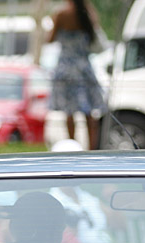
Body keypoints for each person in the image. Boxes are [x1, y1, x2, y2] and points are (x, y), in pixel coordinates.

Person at [48, 0, 107, 150]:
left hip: (66, 68)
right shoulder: (88, 12)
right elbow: (95, 36)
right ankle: (92, 150)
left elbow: (50, 39)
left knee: (69, 113)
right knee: (89, 113)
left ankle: (72, 147)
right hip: (84, 68)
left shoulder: (61, 14)